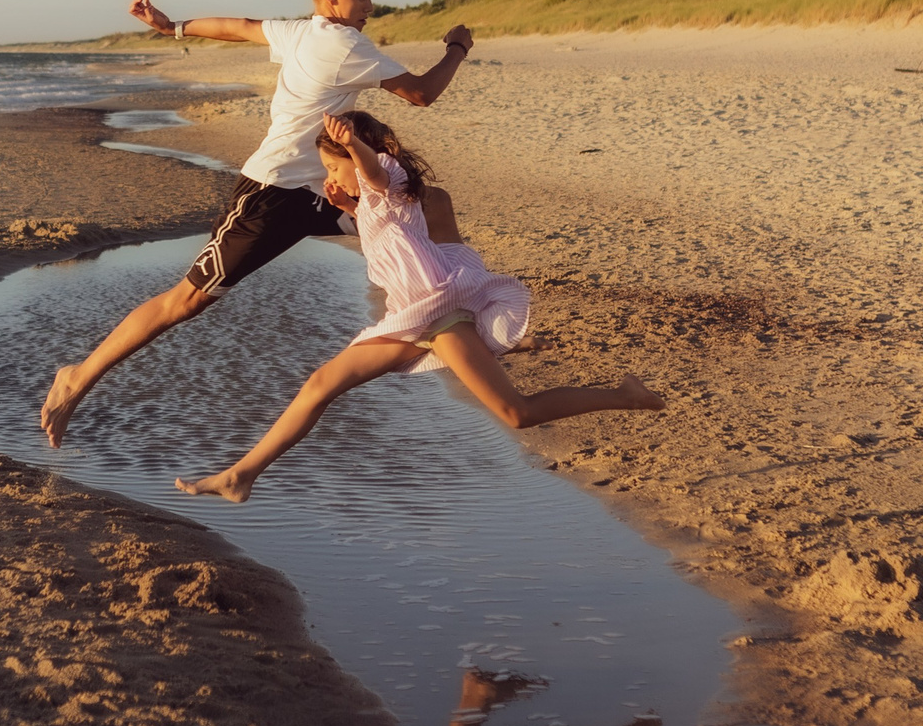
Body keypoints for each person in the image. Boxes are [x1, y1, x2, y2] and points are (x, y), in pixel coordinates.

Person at [39, 0, 474, 447]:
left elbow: (238, 27)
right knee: (186, 301)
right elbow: (421, 93)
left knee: (423, 213)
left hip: (322, 191)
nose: (370, 6)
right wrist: (457, 48)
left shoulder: (301, 32)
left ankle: (472, 316)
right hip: (271, 193)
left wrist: (172, 26)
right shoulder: (344, 46)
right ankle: (78, 376)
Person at [177, 112, 663, 503]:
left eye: (334, 165)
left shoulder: (388, 174)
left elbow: (374, 173)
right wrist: (349, 206)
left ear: (362, 153)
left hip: (441, 311)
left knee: (517, 413)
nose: (332, 176)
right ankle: (241, 476)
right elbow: (390, 227)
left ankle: (626, 395)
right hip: (412, 318)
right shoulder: (370, 200)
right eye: (328, 168)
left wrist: (353, 147)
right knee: (321, 384)